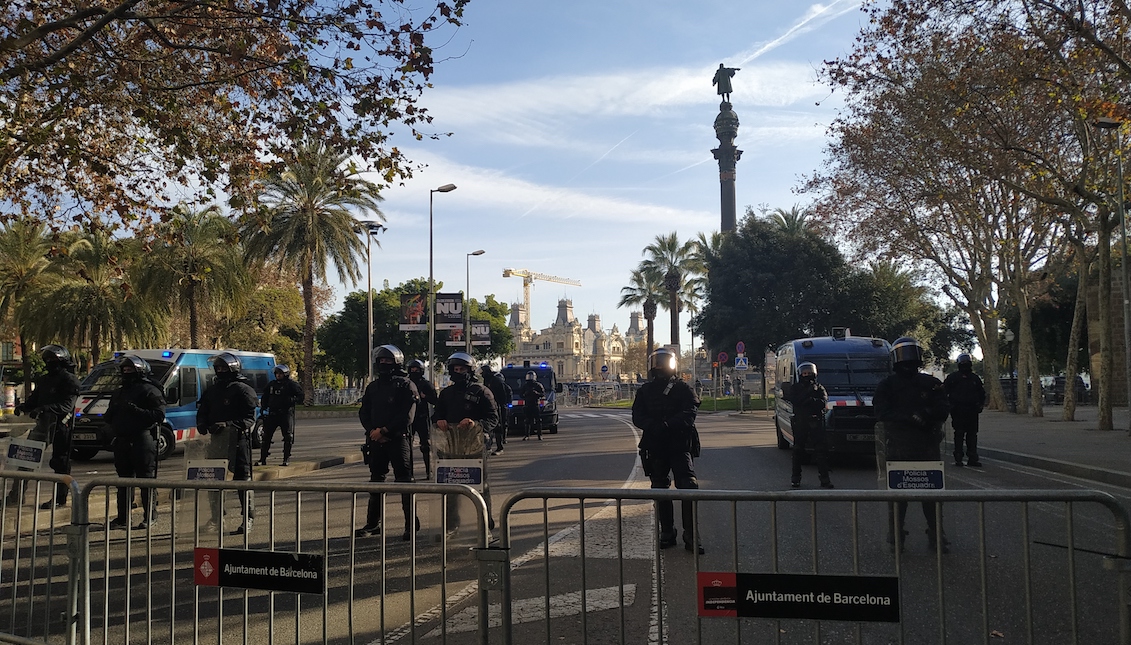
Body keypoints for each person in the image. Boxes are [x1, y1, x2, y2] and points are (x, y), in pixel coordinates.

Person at [874, 337, 951, 553]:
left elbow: (944, 408)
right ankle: (896, 534)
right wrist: (908, 417)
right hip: (899, 445)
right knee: (899, 496)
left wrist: (926, 414)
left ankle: (936, 533)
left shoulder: (930, 384)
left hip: (926, 445)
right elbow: (880, 412)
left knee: (931, 495)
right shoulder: (887, 385)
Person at [632, 348, 704, 554]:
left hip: (679, 443)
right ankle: (667, 531)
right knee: (659, 487)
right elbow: (637, 416)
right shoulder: (645, 391)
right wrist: (654, 427)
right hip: (655, 444)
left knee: (688, 485)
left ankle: (691, 533)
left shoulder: (682, 388)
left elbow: (690, 413)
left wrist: (667, 425)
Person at [356, 345, 419, 540]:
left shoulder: (406, 385)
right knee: (376, 481)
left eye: (388, 361)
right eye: (381, 360)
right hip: (376, 440)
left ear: (397, 362)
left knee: (404, 481)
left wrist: (385, 431)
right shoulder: (373, 387)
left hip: (398, 439)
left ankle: (410, 526)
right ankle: (373, 524)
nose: (384, 364)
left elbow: (407, 416)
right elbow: (364, 412)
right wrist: (372, 432)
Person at [9, 345, 81, 508]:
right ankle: (16, 496)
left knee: (60, 463)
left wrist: (45, 408)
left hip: (61, 425)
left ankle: (59, 499)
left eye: (52, 360)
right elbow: (34, 400)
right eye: (47, 359)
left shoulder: (70, 380)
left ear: (61, 361)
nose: (49, 362)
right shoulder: (45, 380)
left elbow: (67, 405)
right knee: (25, 458)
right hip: (42, 425)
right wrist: (24, 407)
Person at [433, 352, 499, 529]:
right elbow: (436, 415)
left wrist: (475, 423)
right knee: (451, 486)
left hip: (475, 447)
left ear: (470, 371)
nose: (458, 371)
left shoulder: (482, 392)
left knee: (480, 486)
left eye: (462, 368)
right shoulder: (446, 393)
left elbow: (493, 419)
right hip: (450, 446)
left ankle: (485, 522)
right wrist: (439, 421)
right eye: (455, 369)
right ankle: (451, 524)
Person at [196, 352, 259, 535]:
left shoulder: (243, 390)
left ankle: (248, 517)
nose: (220, 371)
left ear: (233, 369)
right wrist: (201, 423)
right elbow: (203, 410)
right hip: (216, 442)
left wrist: (229, 425)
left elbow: (249, 419)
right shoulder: (212, 390)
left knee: (243, 481)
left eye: (224, 368)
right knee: (213, 481)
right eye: (218, 368)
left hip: (238, 442)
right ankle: (217, 518)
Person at [105, 355, 166, 530]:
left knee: (146, 480)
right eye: (124, 370)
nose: (126, 372)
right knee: (124, 481)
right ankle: (123, 518)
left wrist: (135, 410)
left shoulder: (150, 390)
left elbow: (158, 415)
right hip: (122, 441)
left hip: (142, 439)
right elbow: (109, 416)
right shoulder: (119, 391)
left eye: (130, 369)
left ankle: (150, 515)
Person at [783, 362, 833, 489]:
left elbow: (823, 402)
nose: (807, 375)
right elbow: (795, 400)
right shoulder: (796, 388)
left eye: (809, 373)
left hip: (816, 422)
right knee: (798, 450)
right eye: (804, 373)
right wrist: (808, 399)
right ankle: (795, 478)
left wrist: (811, 401)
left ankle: (825, 479)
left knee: (821, 451)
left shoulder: (819, 388)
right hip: (801, 422)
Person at [944, 353, 986, 468]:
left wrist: (980, 405)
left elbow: (981, 393)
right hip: (958, 410)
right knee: (960, 434)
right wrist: (948, 406)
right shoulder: (953, 378)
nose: (965, 365)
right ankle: (959, 457)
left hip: (972, 410)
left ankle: (972, 457)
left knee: (971, 435)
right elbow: (944, 392)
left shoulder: (974, 378)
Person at [257, 364, 304, 466]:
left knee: (288, 436)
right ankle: (262, 459)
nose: (278, 375)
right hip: (273, 414)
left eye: (281, 373)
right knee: (266, 436)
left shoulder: (291, 385)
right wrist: (263, 407)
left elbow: (301, 396)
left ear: (285, 374)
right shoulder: (271, 384)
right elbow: (265, 396)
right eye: (277, 373)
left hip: (285, 413)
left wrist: (291, 400)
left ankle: (286, 459)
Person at [406, 359, 438, 479]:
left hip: (422, 417)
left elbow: (435, 400)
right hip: (409, 418)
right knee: (407, 445)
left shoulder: (426, 384)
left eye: (416, 369)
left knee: (426, 445)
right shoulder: (406, 383)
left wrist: (425, 396)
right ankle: (409, 472)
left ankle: (428, 471)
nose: (414, 371)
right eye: (412, 369)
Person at [480, 364, 512, 455]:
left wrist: (501, 405)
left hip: (497, 407)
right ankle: (488, 447)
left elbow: (503, 395)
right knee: (488, 427)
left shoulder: (496, 381)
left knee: (498, 427)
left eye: (483, 372)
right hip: (489, 406)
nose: (482, 374)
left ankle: (499, 447)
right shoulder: (487, 381)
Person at [518, 371, 546, 440]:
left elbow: (543, 394)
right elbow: (521, 395)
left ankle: (539, 435)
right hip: (528, 404)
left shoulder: (538, 385)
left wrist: (536, 393)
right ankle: (527, 435)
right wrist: (526, 394)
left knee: (538, 421)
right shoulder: (525, 385)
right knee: (527, 421)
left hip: (535, 404)